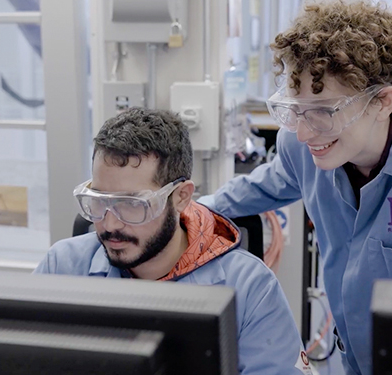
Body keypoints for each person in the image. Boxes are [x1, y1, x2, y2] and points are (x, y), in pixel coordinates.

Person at [198, 2, 392, 374]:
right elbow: (265, 185)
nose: (303, 132)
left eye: (323, 111)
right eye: (295, 109)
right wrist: (187, 208)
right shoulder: (303, 142)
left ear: (382, 102)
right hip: (364, 356)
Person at [34, 108, 312, 375]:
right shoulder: (63, 266)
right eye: (99, 202)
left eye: (132, 205)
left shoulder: (250, 287)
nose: (110, 224)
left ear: (181, 197)